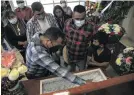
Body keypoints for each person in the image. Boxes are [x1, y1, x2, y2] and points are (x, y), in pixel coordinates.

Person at [64, 5, 95, 72]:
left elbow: (93, 41)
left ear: (85, 16)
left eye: (82, 19)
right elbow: (65, 37)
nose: (79, 21)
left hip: (81, 57)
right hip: (69, 55)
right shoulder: (67, 23)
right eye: (77, 19)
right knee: (71, 71)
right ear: (72, 15)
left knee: (82, 73)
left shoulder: (91, 27)